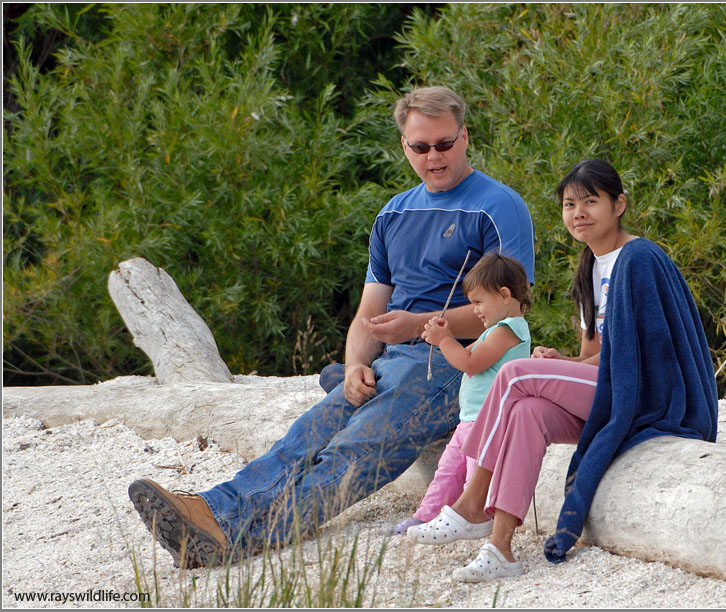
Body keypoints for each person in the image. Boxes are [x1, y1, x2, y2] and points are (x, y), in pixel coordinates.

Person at [127, 86, 536, 569]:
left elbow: (512, 311)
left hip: (459, 364)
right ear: (403, 147)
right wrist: (355, 365)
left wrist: (416, 327)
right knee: (304, 435)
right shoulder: (393, 214)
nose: (434, 156)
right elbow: (369, 311)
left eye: (444, 144)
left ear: (464, 137)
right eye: (420, 147)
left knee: (354, 449)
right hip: (392, 361)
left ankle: (233, 538)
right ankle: (213, 510)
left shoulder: (499, 206)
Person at [408, 158, 718, 583]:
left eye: (591, 202)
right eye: (570, 205)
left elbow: (648, 355)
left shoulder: (639, 257)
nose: (579, 213)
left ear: (619, 204)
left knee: (514, 375)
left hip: (645, 393)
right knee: (526, 411)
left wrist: (553, 371)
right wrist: (562, 364)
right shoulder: (590, 268)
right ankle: (499, 546)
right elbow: (597, 354)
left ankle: (471, 502)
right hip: (610, 388)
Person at [387, 253, 532, 536]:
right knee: (448, 470)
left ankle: (472, 520)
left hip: (488, 421)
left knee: (473, 476)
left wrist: (444, 341)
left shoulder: (509, 330)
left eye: (478, 302)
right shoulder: (493, 330)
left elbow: (470, 363)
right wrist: (447, 336)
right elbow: (467, 355)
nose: (474, 309)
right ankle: (425, 516)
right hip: (470, 419)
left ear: (504, 295)